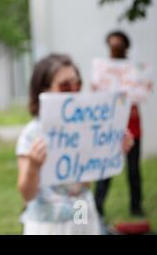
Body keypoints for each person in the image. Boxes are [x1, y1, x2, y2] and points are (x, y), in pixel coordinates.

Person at [16, 54, 133, 235]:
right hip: (48, 224)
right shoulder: (32, 133)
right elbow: (27, 194)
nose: (73, 90)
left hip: (82, 214)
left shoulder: (88, 125)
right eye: (64, 86)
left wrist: (112, 150)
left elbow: (85, 180)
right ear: (44, 90)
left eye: (77, 84)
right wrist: (33, 166)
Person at [94, 31, 145, 217]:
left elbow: (140, 91)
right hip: (110, 125)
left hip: (132, 125)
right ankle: (96, 208)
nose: (114, 48)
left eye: (118, 44)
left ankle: (136, 206)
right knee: (104, 169)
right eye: (111, 45)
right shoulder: (102, 69)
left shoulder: (134, 70)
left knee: (133, 170)